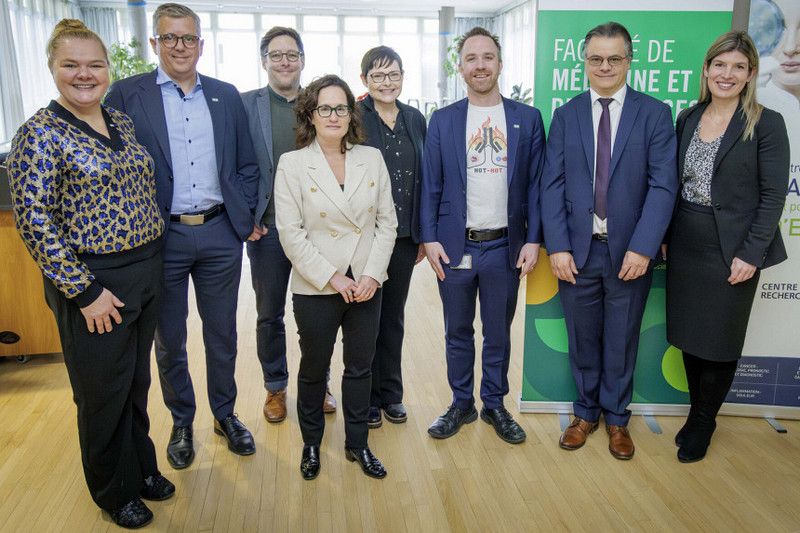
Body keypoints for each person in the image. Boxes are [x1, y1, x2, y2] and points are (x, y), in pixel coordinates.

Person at [7, 19, 174, 528]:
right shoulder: (39, 133)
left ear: (107, 70)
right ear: (53, 69)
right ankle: (112, 490)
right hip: (94, 283)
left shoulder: (119, 121)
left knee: (135, 384)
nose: (85, 75)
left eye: (94, 64)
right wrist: (86, 293)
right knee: (102, 393)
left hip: (144, 270)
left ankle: (142, 468)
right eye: (71, 65)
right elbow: (34, 222)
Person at [105, 2, 260, 470]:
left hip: (218, 235)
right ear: (154, 43)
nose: (179, 46)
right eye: (169, 38)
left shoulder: (226, 94)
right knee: (169, 338)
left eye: (188, 38)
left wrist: (243, 215)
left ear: (200, 44)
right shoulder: (125, 96)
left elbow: (248, 164)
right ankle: (181, 421)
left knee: (222, 333)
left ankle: (226, 415)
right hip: (161, 239)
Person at [540, 22, 678, 460]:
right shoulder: (566, 114)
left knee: (621, 340)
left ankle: (618, 419)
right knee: (582, 340)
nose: (605, 66)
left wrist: (643, 246)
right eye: (596, 58)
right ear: (585, 61)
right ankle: (585, 415)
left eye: (614, 58)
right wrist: (557, 246)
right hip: (577, 253)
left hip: (628, 254)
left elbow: (662, 186)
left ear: (628, 60)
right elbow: (551, 184)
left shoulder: (655, 113)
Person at [666, 31, 789, 463]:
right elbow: (674, 188)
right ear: (706, 69)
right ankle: (697, 411)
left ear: (751, 73)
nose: (727, 73)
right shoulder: (687, 117)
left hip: (733, 250)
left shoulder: (765, 121)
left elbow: (774, 195)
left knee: (718, 341)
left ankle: (703, 421)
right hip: (686, 244)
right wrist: (664, 239)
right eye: (720, 64)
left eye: (738, 66)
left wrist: (751, 254)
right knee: (688, 336)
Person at [421, 27, 544, 445]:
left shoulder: (527, 119)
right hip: (455, 246)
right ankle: (461, 404)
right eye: (471, 58)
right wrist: (429, 238)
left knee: (498, 332)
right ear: (461, 66)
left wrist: (534, 239)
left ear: (500, 63)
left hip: (505, 247)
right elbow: (430, 185)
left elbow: (536, 186)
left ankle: (494, 403)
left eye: (487, 57)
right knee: (457, 331)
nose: (480, 65)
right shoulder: (444, 120)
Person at [274, 75, 397, 480]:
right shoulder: (292, 164)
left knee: (360, 367)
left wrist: (372, 276)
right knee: (314, 367)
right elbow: (291, 234)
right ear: (310, 114)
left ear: (350, 113)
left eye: (340, 107)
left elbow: (386, 224)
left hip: (365, 283)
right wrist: (333, 278)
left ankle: (357, 444)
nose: (333, 115)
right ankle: (311, 442)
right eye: (324, 108)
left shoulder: (371, 157)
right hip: (317, 286)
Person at [241, 27, 337, 424]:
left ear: (302, 60)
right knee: (269, 315)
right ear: (264, 60)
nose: (284, 61)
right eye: (276, 54)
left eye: (292, 54)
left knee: (319, 315)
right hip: (267, 230)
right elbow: (232, 164)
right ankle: (275, 388)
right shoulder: (245, 105)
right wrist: (244, 217)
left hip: (317, 231)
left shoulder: (320, 106)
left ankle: (319, 383)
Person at [358, 46, 427, 428]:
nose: (387, 82)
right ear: (365, 79)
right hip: (365, 238)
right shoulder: (354, 117)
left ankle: (391, 394)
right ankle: (366, 397)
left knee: (394, 318)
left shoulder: (415, 118)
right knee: (367, 317)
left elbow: (426, 177)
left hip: (403, 237)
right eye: (378, 75)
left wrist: (421, 233)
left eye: (394, 74)